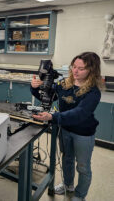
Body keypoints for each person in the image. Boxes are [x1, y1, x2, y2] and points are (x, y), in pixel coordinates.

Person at [30, 52, 102, 201]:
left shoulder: (93, 92)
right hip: (65, 129)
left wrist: (53, 117)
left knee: (82, 166)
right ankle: (68, 185)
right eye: (74, 66)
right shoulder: (65, 84)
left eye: (81, 69)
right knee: (67, 159)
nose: (75, 71)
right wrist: (35, 88)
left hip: (83, 133)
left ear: (91, 70)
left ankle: (80, 195)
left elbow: (80, 113)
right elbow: (49, 97)